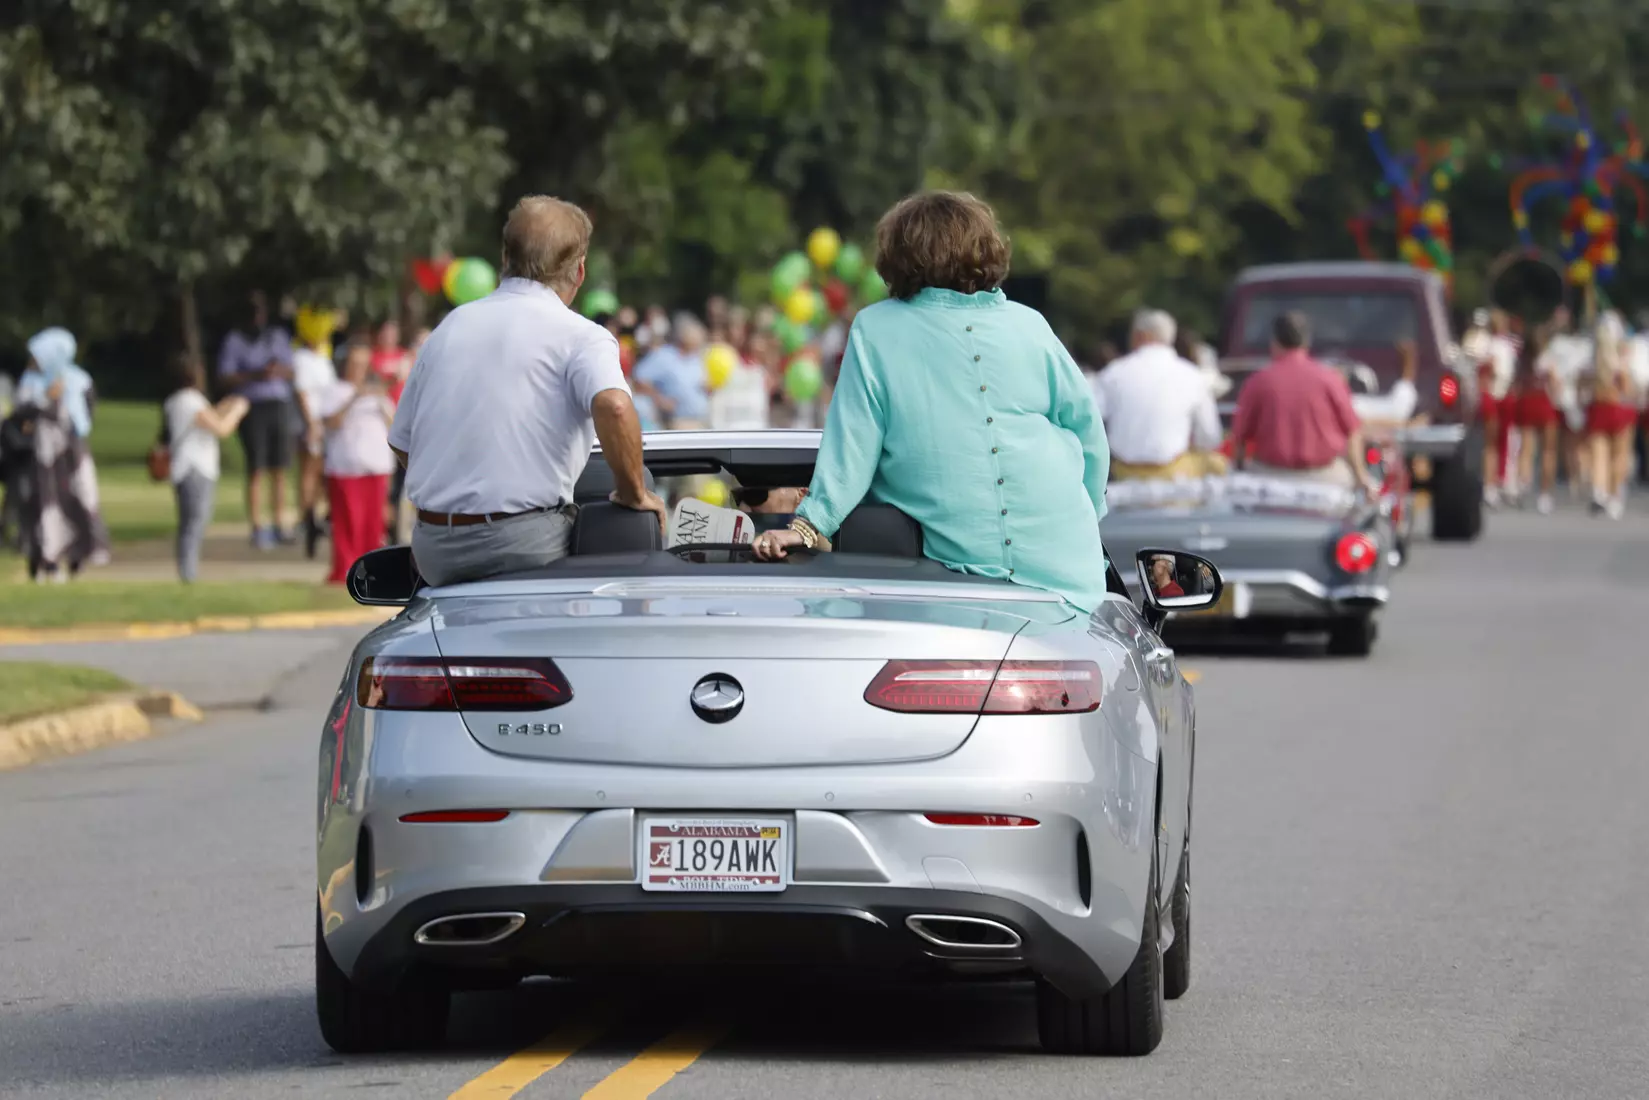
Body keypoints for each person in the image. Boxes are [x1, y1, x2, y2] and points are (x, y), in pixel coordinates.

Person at [752, 190, 1114, 615]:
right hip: (1072, 578)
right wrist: (1085, 518)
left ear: (899, 256)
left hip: (965, 588)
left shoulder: (876, 328)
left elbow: (852, 448)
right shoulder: (1030, 324)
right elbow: (1089, 435)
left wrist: (808, 526)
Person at [390, 195, 666, 588]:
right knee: (623, 530)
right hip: (523, 546)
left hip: (435, 548)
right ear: (580, 272)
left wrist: (454, 495)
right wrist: (634, 492)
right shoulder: (581, 335)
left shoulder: (449, 328)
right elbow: (615, 407)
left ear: (505, 258)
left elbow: (403, 443)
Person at [1228, 312, 1379, 495]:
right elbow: (1353, 432)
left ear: (1275, 341)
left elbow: (1240, 438)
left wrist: (1237, 472)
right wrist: (1360, 476)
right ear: (1306, 342)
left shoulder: (1258, 382)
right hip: (1324, 477)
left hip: (1270, 476)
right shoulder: (1330, 379)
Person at [13, 327, 109, 581]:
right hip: (42, 459)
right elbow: (19, 417)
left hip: (73, 457)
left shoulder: (79, 380)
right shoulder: (30, 383)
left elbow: (87, 413)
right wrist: (45, 399)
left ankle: (77, 559)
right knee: (44, 506)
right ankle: (46, 562)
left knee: (77, 502)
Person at [1090, 309, 1224, 479]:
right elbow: (1209, 437)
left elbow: (1091, 422)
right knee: (1217, 463)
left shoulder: (1112, 374)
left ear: (1141, 336)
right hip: (1174, 473)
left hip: (1122, 471)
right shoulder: (1193, 376)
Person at [218, 291, 297, 548]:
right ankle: (257, 526)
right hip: (252, 405)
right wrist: (255, 375)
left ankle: (279, 523)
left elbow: (291, 370)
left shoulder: (276, 337)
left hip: (279, 404)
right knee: (257, 467)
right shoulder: (235, 340)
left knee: (280, 468)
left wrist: (277, 371)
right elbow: (226, 376)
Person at [163, 353, 251, 582]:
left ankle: (188, 570)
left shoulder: (176, 400)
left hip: (187, 467)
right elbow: (221, 428)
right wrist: (238, 411)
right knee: (195, 521)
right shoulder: (190, 400)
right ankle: (188, 573)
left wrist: (225, 405)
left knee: (191, 522)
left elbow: (209, 415)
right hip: (196, 467)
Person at [317, 342, 397, 583]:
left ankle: (372, 572)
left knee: (373, 525)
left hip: (376, 467)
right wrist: (354, 397)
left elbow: (394, 428)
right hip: (345, 467)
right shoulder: (335, 390)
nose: (359, 369)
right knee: (347, 524)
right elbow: (331, 422)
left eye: (363, 364)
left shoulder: (379, 395)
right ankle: (344, 571)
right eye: (354, 364)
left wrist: (380, 398)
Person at [292, 307, 339, 558]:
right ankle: (305, 516)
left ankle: (318, 516)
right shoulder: (301, 358)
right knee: (310, 471)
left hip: (327, 422)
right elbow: (302, 392)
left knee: (323, 473)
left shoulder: (323, 357)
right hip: (312, 420)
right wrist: (311, 424)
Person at [1585, 310, 1638, 519]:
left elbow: (1584, 382)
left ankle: (1599, 492)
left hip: (1599, 406)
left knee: (1599, 454)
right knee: (1619, 455)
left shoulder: (1594, 357)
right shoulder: (1622, 357)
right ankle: (1615, 496)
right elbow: (1626, 387)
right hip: (1619, 408)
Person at [1511, 322, 1562, 513]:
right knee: (1548, 451)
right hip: (1543, 402)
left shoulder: (1522, 360)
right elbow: (1556, 384)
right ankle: (1544, 495)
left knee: (1526, 449)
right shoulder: (1548, 358)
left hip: (1526, 402)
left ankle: (1523, 484)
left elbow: (1516, 383)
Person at [631, 314, 711, 430]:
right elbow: (639, 380)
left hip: (702, 421)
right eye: (697, 333)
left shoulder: (698, 358)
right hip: (677, 423)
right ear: (684, 335)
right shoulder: (664, 356)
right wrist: (660, 399)